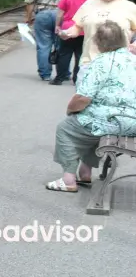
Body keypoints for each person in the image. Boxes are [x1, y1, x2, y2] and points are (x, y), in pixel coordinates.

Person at [47, 21, 136, 192]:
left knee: (67, 128)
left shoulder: (100, 63)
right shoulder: (133, 59)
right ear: (124, 39)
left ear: (97, 42)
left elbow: (83, 98)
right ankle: (85, 173)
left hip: (111, 121)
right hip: (133, 123)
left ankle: (68, 180)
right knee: (90, 125)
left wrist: (70, 110)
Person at [58, 0, 136, 76]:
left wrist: (134, 44)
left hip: (118, 65)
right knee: (83, 93)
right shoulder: (88, 4)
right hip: (90, 63)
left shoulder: (129, 7)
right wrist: (67, 33)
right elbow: (77, 27)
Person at [24, 0, 72, 81]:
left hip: (43, 14)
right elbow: (70, 1)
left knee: (44, 45)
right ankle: (64, 73)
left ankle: (45, 74)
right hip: (60, 15)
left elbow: (30, 1)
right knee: (61, 45)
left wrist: (28, 17)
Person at [52, 0, 98, 85]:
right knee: (81, 55)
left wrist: (57, 26)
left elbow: (60, 14)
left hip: (68, 29)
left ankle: (59, 78)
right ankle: (77, 79)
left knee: (64, 54)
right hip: (86, 30)